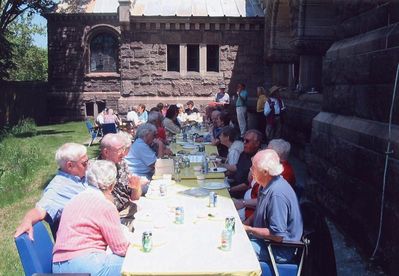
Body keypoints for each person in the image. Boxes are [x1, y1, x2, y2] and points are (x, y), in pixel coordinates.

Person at [52, 160, 130, 275]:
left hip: (58, 266)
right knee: (135, 262)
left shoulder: (74, 199)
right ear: (112, 185)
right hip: (88, 265)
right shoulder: (106, 206)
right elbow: (121, 249)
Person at [14, 143, 88, 239]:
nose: (88, 165)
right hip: (78, 243)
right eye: (84, 163)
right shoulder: (58, 188)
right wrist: (28, 220)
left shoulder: (81, 176)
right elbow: (41, 210)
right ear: (70, 165)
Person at [243, 149, 303, 266]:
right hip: (266, 241)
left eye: (253, 167)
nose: (251, 170)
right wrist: (246, 222)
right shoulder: (265, 184)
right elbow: (259, 210)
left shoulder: (277, 194)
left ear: (265, 172)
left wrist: (248, 229)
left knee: (237, 248)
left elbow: (277, 236)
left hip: (279, 249)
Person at [100, 133, 143, 231]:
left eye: (123, 149)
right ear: (106, 152)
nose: (124, 153)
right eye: (120, 150)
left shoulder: (122, 163)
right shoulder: (97, 171)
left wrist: (136, 187)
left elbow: (135, 197)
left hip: (129, 208)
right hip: (115, 218)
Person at [228, 129, 262, 199]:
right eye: (243, 140)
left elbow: (248, 184)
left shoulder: (259, 159)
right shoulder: (244, 153)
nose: (244, 143)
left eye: (247, 141)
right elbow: (238, 168)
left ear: (257, 143)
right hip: (233, 184)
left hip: (242, 195)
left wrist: (229, 190)